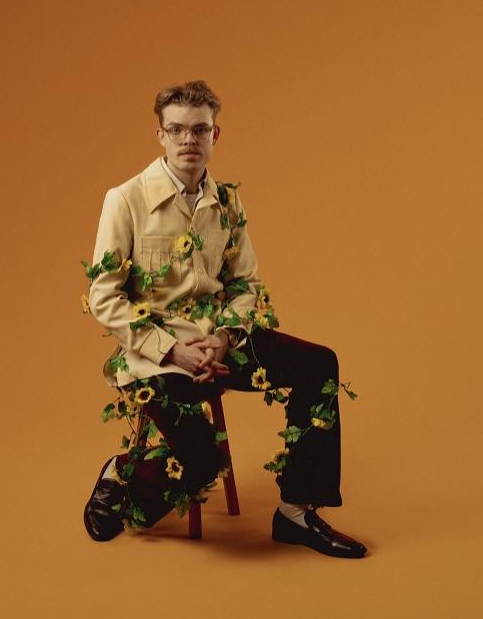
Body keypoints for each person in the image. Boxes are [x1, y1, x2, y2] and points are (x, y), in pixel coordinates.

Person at [83, 80, 367, 558]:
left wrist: (222, 337)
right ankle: (122, 474)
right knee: (200, 462)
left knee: (320, 364)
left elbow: (245, 284)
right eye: (176, 130)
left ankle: (296, 512)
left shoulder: (229, 202)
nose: (188, 140)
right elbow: (104, 297)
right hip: (155, 355)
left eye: (199, 130)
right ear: (160, 136)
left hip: (220, 340)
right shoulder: (125, 200)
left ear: (217, 134)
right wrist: (172, 349)